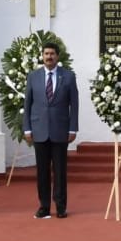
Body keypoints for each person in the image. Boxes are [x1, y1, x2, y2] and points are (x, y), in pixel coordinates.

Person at [23, 41, 78, 218]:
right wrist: (27, 128)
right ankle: (44, 206)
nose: (49, 57)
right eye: (46, 54)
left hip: (60, 130)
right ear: (42, 56)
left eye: (52, 54)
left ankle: (61, 206)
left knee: (60, 171)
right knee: (42, 172)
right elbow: (28, 103)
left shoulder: (68, 76)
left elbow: (74, 104)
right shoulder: (33, 76)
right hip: (39, 130)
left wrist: (73, 128)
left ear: (57, 56)